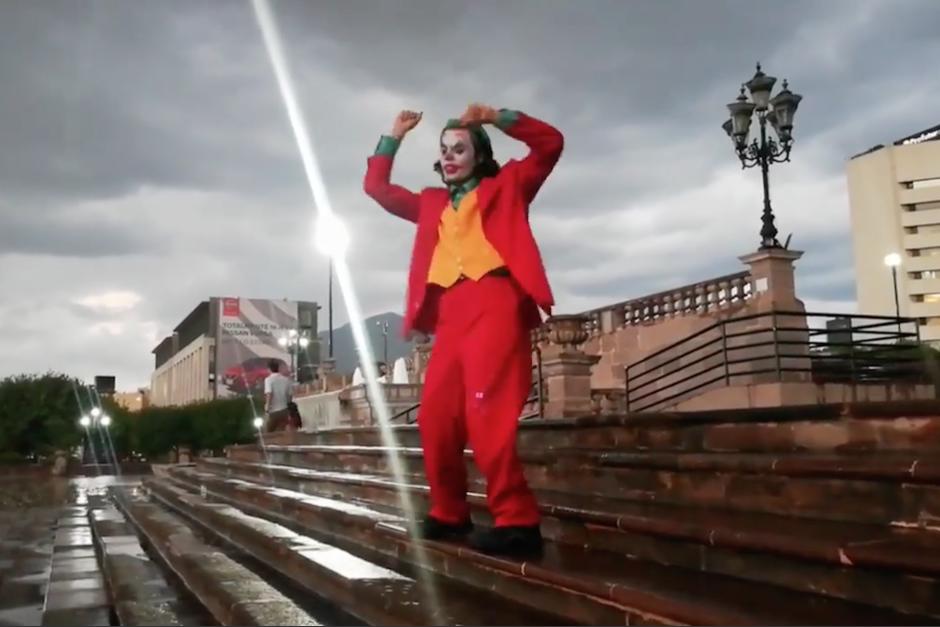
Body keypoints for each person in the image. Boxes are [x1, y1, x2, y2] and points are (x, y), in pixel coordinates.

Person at [364, 103, 563, 557]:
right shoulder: (431, 203)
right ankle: (449, 512)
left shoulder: (509, 186)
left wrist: (498, 116)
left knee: (486, 413)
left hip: (495, 302)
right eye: (444, 149)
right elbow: (376, 187)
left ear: (480, 155)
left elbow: (550, 143)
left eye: (460, 148)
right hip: (450, 314)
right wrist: (394, 135)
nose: (450, 156)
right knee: (436, 416)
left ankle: (517, 520)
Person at [263, 359, 293, 433]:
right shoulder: (286, 380)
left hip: (273, 411)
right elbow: (289, 396)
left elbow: (269, 394)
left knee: (268, 433)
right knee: (283, 432)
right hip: (284, 410)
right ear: (278, 368)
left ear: (269, 369)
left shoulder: (268, 380)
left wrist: (267, 406)